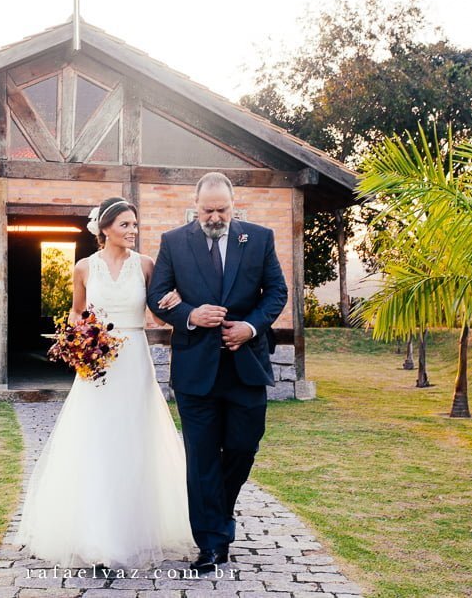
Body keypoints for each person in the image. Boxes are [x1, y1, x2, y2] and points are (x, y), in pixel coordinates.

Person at [16, 197, 195, 569]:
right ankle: (95, 533)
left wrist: (176, 301)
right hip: (97, 365)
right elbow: (76, 311)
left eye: (134, 225)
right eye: (125, 225)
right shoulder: (84, 268)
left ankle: (135, 528)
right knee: (96, 438)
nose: (132, 231)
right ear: (105, 229)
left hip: (134, 361)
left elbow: (159, 311)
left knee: (135, 437)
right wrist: (78, 342)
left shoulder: (145, 265)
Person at [146, 172, 289, 572]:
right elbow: (157, 295)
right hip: (196, 370)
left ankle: (219, 512)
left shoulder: (259, 238)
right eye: (207, 209)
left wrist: (251, 326)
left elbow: (277, 291)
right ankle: (211, 542)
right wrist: (191, 314)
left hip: (247, 366)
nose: (214, 216)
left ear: (233, 203)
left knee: (244, 446)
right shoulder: (174, 242)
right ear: (196, 206)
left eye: (221, 209)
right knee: (202, 459)